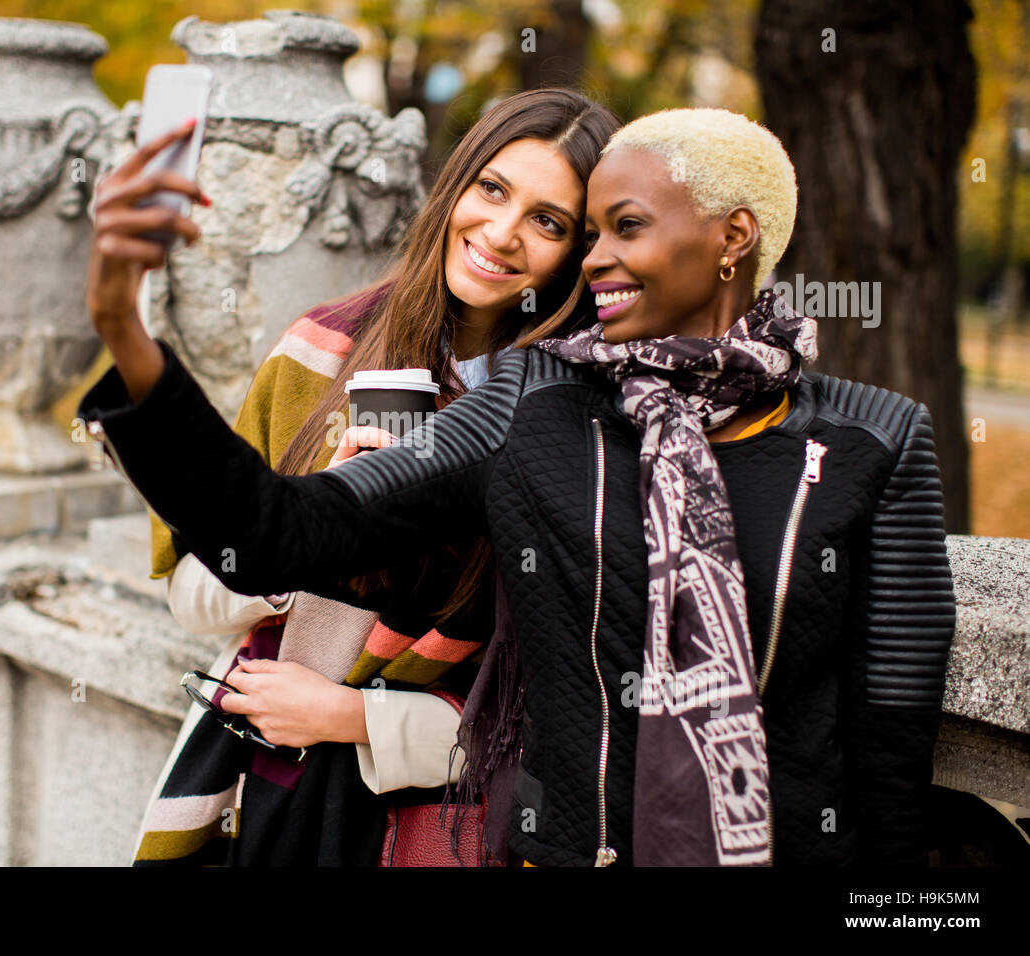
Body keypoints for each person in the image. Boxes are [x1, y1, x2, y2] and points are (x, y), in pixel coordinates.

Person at [79, 106, 955, 867]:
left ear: (733, 237)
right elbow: (283, 532)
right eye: (593, 233)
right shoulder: (536, 399)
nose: (593, 260)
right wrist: (125, 328)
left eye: (622, 227)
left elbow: (888, 746)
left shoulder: (875, 437)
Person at [87, 88, 620, 865]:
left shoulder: (564, 418)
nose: (501, 234)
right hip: (261, 781)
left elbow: (569, 713)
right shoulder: (320, 350)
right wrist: (318, 531)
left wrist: (354, 716)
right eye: (492, 189)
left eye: (548, 221)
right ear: (456, 185)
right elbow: (190, 589)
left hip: (435, 820)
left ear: (578, 251)